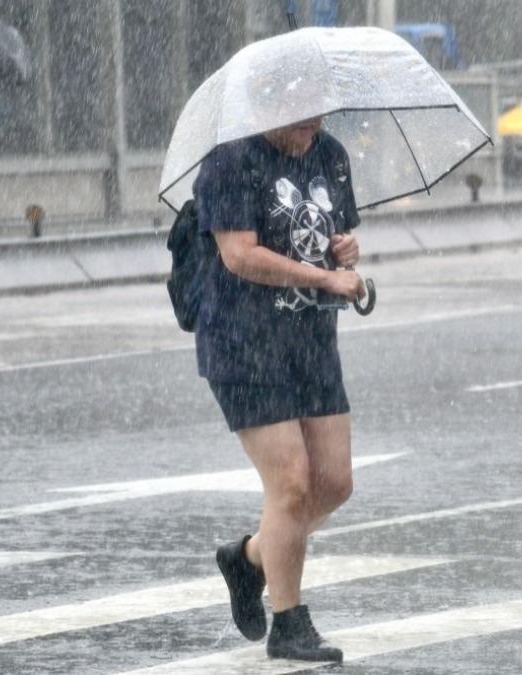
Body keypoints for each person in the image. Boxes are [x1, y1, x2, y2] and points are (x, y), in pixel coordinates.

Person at [194, 115, 365, 663]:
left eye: (320, 115)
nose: (313, 128)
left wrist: (344, 254)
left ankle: (248, 560)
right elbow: (239, 255)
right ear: (268, 107)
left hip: (310, 343)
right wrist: (323, 278)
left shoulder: (329, 153)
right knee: (290, 483)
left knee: (333, 483)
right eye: (302, 119)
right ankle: (289, 624)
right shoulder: (230, 160)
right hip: (242, 344)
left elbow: (329, 236)